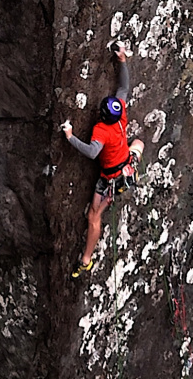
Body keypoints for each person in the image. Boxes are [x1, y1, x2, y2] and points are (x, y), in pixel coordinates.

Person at [62, 42, 145, 277]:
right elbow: (124, 88)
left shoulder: (101, 130)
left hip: (110, 178)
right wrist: (122, 60)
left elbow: (91, 152)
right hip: (126, 164)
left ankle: (86, 259)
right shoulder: (120, 118)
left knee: (93, 216)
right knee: (138, 143)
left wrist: (70, 137)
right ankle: (133, 167)